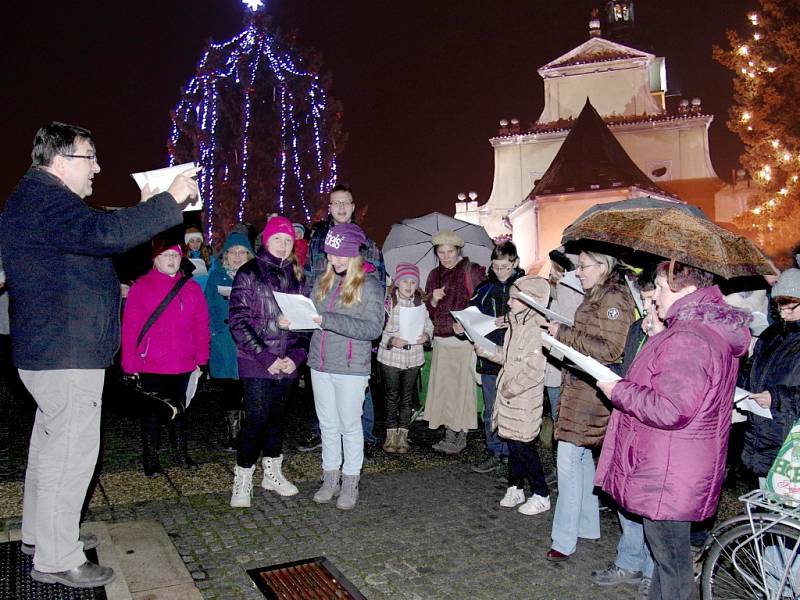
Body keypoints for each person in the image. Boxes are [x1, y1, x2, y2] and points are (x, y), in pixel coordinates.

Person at [0, 122, 198, 588]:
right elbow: (104, 234)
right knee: (70, 456)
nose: (98, 167)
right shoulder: (48, 199)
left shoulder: (34, 199)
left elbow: (96, 233)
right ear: (61, 160)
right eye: (90, 157)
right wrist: (166, 201)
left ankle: (42, 536)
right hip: (66, 354)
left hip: (49, 351)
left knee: (50, 452)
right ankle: (57, 558)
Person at [595, 260, 751, 600]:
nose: (654, 299)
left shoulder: (689, 338)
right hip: (679, 462)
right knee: (669, 562)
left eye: (661, 289)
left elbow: (672, 408)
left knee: (674, 565)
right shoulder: (697, 330)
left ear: (686, 288)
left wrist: (618, 390)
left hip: (670, 468)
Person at [545, 249, 634, 562]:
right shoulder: (598, 293)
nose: (578, 272)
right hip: (581, 388)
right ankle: (586, 526)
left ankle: (563, 539)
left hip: (591, 393)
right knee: (580, 460)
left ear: (603, 266)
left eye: (583, 267)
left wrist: (564, 334)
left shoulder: (613, 298)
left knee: (568, 462)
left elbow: (613, 349)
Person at [299, 184, 385, 454]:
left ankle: (365, 435)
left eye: (345, 203)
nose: (341, 208)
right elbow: (311, 276)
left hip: (353, 318)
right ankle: (323, 435)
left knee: (358, 388)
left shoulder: (365, 241)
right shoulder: (318, 240)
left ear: (353, 206)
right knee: (323, 385)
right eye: (336, 203)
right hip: (322, 317)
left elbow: (377, 280)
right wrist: (306, 312)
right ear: (330, 208)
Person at [228, 217, 308, 508]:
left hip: (287, 361)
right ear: (266, 240)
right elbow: (238, 320)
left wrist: (296, 358)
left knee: (277, 419)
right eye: (278, 239)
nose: (284, 245)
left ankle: (272, 473)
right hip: (256, 359)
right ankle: (243, 476)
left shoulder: (297, 276)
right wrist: (267, 356)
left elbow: (307, 324)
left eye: (288, 240)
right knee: (257, 420)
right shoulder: (249, 272)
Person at [591, 269, 660, 599]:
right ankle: (628, 560)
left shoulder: (675, 333)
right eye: (644, 300)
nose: (648, 307)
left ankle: (651, 570)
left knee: (648, 502)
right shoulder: (636, 329)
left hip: (655, 429)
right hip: (627, 423)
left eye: (652, 299)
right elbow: (629, 370)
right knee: (625, 497)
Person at [304, 223, 384, 510]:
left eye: (341, 255)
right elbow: (312, 315)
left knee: (350, 426)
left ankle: (351, 481)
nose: (334, 261)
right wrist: (292, 320)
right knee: (327, 425)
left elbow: (373, 328)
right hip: (320, 363)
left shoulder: (370, 285)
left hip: (351, 367)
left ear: (355, 255)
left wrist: (327, 320)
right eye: (331, 255)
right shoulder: (322, 280)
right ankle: (330, 478)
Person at [121, 242, 210, 475]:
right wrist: (129, 364)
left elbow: (201, 325)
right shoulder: (141, 287)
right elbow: (130, 328)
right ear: (155, 259)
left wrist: (202, 357)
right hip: (151, 363)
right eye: (165, 255)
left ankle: (181, 453)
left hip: (183, 362)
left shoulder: (191, 288)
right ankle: (151, 458)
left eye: (175, 255)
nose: (171, 259)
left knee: (181, 410)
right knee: (151, 414)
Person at [477, 276, 552, 515]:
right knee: (512, 442)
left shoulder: (536, 329)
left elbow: (534, 370)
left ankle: (541, 493)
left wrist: (509, 388)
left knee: (524, 446)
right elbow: (508, 358)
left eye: (513, 299)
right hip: (509, 395)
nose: (508, 303)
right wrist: (488, 351)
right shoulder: (516, 323)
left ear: (530, 302)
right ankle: (515, 486)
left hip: (523, 397)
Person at [424, 229, 487, 454]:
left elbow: (483, 305)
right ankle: (449, 432)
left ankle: (461, 435)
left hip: (463, 343)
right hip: (442, 341)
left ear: (458, 250)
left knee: (461, 391)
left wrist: (467, 323)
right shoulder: (433, 275)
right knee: (444, 391)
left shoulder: (472, 272)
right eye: (441, 252)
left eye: (450, 252)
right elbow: (428, 313)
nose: (446, 257)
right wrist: (432, 299)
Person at [468, 241, 524, 473]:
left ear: (515, 263)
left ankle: (515, 452)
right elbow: (470, 317)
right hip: (489, 358)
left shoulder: (524, 287)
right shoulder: (483, 289)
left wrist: (511, 321)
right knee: (491, 407)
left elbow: (538, 319)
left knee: (514, 405)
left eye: (504, 267)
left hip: (516, 358)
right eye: (495, 266)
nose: (499, 271)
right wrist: (462, 326)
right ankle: (495, 450)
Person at [741, 268, 800, 484]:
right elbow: (751, 370)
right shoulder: (771, 334)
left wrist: (776, 397)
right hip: (761, 436)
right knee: (766, 509)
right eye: (779, 305)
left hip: (791, 444)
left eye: (791, 307)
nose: (784, 313)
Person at [204, 230, 255, 451]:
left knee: (250, 389)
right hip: (224, 341)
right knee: (230, 390)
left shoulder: (255, 277)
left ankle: (249, 433)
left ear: (249, 255)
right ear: (225, 255)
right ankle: (233, 435)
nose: (236, 257)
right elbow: (207, 307)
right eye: (232, 252)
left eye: (242, 253)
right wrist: (214, 331)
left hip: (249, 342)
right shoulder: (217, 277)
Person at [378, 263, 433, 453]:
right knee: (392, 396)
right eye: (404, 281)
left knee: (407, 398)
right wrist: (392, 339)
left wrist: (427, 336)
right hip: (391, 357)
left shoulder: (420, 304)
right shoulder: (388, 303)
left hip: (413, 358)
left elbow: (429, 325)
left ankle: (403, 434)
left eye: (412, 282)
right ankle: (390, 434)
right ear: (397, 283)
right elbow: (378, 328)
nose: (409, 286)